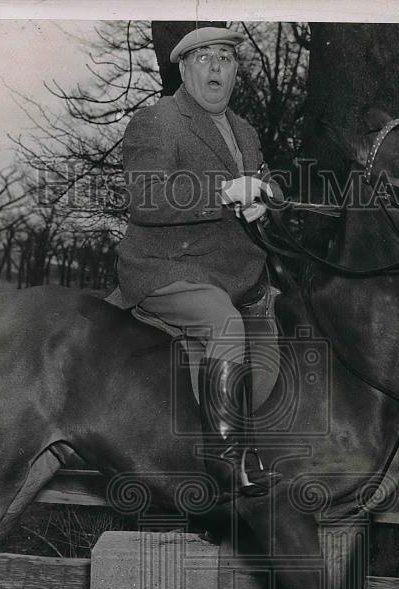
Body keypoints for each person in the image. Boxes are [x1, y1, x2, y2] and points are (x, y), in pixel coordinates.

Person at [107, 26, 281, 498]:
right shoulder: (159, 121)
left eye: (225, 58)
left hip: (233, 271)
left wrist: (268, 197)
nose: (215, 67)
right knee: (222, 322)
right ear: (183, 69)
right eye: (203, 58)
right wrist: (225, 193)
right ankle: (230, 460)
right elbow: (145, 199)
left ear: (235, 72)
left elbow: (267, 181)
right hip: (167, 267)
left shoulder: (243, 129)